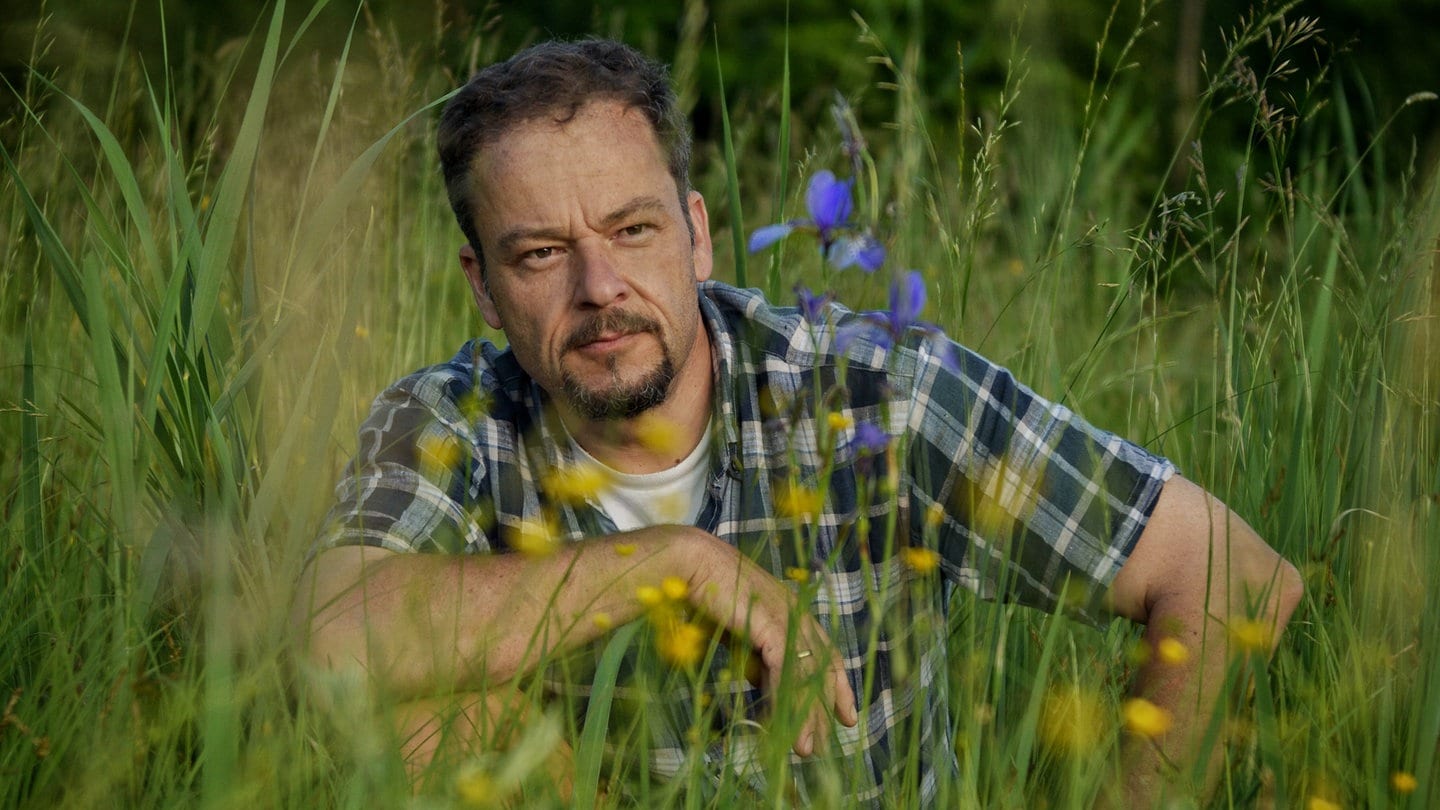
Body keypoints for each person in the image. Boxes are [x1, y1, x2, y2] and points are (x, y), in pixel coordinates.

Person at [292, 37, 1303, 807]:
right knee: (415, 699)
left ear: (696, 235)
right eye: (541, 254)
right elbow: (328, 641)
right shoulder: (452, 418)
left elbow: (1227, 574)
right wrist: (670, 562)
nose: (601, 288)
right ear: (482, 284)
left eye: (632, 230)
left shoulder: (874, 391)